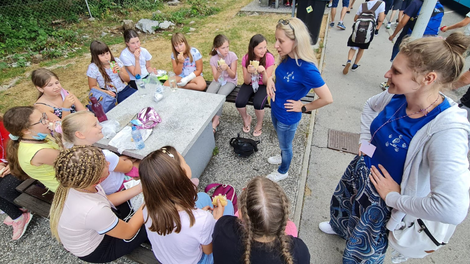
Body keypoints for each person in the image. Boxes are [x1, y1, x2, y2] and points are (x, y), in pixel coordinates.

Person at [319, 33, 470, 263]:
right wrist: (365, 141)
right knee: (343, 207)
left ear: (427, 79)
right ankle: (339, 228)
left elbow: (451, 209)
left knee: (363, 249)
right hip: (360, 171)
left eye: (397, 72)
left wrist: (394, 198)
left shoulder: (447, 131)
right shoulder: (399, 94)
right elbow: (370, 106)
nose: (387, 75)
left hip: (382, 201)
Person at [50, 145, 147, 263]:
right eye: (104, 164)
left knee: (136, 207)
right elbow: (128, 232)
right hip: (99, 248)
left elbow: (106, 200)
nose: (108, 163)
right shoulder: (94, 210)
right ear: (98, 179)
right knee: (157, 218)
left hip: (97, 225)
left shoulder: (77, 185)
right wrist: (151, 201)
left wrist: (140, 187)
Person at [139, 146, 234, 264]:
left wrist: (201, 216)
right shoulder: (203, 220)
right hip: (196, 261)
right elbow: (208, 250)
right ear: (183, 172)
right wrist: (216, 220)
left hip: (165, 258)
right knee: (228, 206)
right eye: (184, 160)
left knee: (202, 197)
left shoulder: (146, 207)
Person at [266, 18, 333, 182]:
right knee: (282, 143)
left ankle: (283, 171)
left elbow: (327, 98)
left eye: (281, 41)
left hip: (288, 116)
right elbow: (279, 74)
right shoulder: (287, 55)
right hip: (275, 108)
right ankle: (282, 155)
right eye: (276, 39)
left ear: (296, 41)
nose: (276, 45)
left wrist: (304, 107)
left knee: (286, 146)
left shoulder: (307, 69)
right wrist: (269, 80)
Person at [212, 176, 310, 264]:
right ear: (283, 217)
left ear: (241, 213)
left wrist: (216, 220)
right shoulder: (300, 252)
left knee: (228, 204)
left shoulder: (222, 230)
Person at [60, 111, 136, 195]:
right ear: (80, 134)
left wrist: (118, 160)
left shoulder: (74, 156)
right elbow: (128, 167)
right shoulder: (103, 156)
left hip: (106, 192)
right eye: (95, 125)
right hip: (121, 187)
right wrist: (130, 159)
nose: (100, 127)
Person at [4, 106, 60, 192]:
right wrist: (63, 134)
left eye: (44, 116)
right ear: (26, 130)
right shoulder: (40, 152)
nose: (47, 121)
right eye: (41, 120)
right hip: (70, 187)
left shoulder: (36, 137)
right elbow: (78, 161)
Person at [0, 114, 33, 240]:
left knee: (5, 189)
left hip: (22, 161)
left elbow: (27, 144)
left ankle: (20, 209)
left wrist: (13, 163)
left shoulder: (7, 124)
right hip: (8, 164)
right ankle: (17, 215)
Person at [236, 34, 275, 137]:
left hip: (263, 84)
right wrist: (249, 72)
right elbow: (246, 81)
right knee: (239, 102)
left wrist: (264, 73)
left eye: (265, 47)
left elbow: (268, 83)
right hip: (251, 83)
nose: (263, 50)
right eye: (260, 48)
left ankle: (259, 123)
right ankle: (246, 118)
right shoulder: (246, 58)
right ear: (252, 48)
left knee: (258, 103)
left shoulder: (269, 58)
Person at [343, 0, 385, 74]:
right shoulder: (381, 4)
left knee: (353, 47)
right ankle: (355, 65)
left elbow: (355, 18)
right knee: (362, 48)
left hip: (358, 29)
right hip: (369, 30)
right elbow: (381, 19)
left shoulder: (363, 5)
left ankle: (349, 60)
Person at [207, 34, 238, 133]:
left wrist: (227, 68)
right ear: (216, 49)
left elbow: (233, 75)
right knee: (208, 94)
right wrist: (219, 71)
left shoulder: (232, 56)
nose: (226, 50)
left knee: (220, 96)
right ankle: (209, 115)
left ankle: (216, 120)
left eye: (227, 47)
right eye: (223, 48)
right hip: (219, 80)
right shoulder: (213, 60)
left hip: (230, 81)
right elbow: (216, 78)